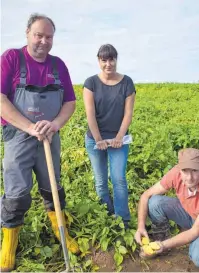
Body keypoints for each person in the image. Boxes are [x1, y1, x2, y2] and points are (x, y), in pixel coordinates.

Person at [0, 13, 79, 272]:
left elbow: (70, 102)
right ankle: (8, 247)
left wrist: (54, 124)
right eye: (38, 35)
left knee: (52, 186)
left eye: (49, 37)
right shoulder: (12, 59)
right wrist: (30, 127)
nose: (43, 41)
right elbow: (1, 99)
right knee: (17, 192)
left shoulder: (58, 66)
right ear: (27, 33)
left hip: (49, 136)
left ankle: (62, 235)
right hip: (19, 135)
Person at [135, 148, 199, 271]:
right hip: (190, 213)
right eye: (185, 171)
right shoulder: (175, 174)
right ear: (179, 169)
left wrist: (165, 245)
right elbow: (146, 195)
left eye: (194, 171)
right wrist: (140, 226)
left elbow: (195, 231)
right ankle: (159, 242)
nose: (189, 177)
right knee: (155, 202)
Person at [83, 44, 136, 228]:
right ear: (99, 61)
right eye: (104, 60)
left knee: (118, 178)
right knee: (100, 180)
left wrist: (119, 137)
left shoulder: (127, 82)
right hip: (95, 139)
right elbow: (90, 114)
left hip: (118, 140)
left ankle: (123, 220)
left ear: (116, 59)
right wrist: (98, 140)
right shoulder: (91, 83)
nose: (108, 64)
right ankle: (106, 214)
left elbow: (128, 114)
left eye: (111, 59)